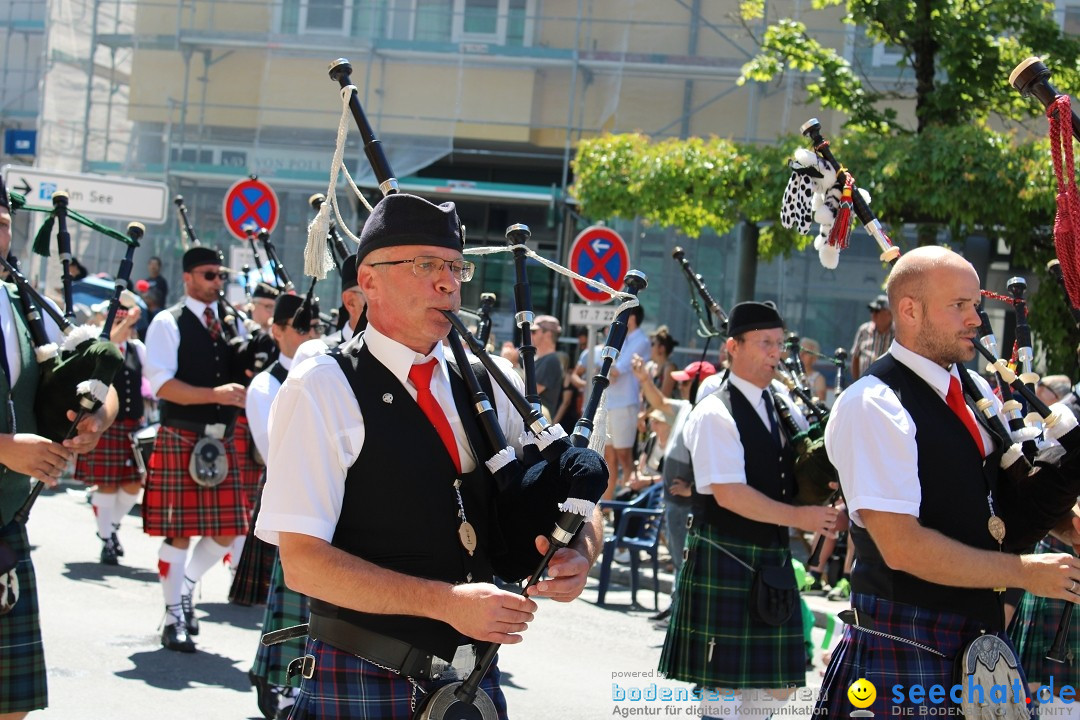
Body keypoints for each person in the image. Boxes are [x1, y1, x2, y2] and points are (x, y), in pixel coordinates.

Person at [255, 193, 602, 719]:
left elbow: (566, 485)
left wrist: (581, 550)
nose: (449, 282)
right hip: (362, 677)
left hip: (474, 684)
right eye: (425, 265)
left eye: (456, 266)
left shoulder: (488, 381)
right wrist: (443, 603)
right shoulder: (322, 387)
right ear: (368, 281)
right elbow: (303, 564)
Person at [816, 246, 1080, 717]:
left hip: (978, 641)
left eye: (976, 304)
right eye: (958, 306)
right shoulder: (873, 404)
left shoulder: (976, 389)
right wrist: (1024, 573)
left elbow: (1008, 496)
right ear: (910, 310)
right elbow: (902, 546)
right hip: (904, 641)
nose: (976, 319)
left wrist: (1070, 527)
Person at [659, 302, 836, 718]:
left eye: (780, 343)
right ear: (732, 348)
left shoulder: (780, 405)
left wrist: (823, 488)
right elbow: (728, 494)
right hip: (727, 556)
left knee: (777, 690)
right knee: (723, 690)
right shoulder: (714, 412)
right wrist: (802, 519)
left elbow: (794, 471)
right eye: (765, 343)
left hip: (769, 561)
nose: (776, 352)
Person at [0, 175, 118, 718]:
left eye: (2, 225)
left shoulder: (21, 303)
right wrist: (4, 448)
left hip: (4, 522)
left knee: (9, 704)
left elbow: (99, 381)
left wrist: (95, 421)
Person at [143, 246, 250, 653]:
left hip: (221, 436)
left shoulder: (228, 323)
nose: (216, 282)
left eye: (220, 275)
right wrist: (215, 393)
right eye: (209, 275)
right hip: (181, 434)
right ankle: (173, 616)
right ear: (187, 277)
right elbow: (163, 384)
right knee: (180, 531)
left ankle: (185, 587)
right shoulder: (166, 323)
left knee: (226, 532)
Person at [244, 292, 320, 719]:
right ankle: (283, 681)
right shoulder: (266, 383)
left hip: (326, 500)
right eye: (301, 326)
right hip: (292, 500)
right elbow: (274, 453)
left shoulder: (331, 368)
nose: (310, 333)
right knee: (297, 598)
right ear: (277, 331)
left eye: (313, 326)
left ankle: (285, 679)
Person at [75, 290, 146, 565]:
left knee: (132, 484)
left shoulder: (139, 349)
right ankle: (106, 540)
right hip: (106, 423)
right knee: (106, 484)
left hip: (132, 425)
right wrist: (126, 323)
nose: (126, 326)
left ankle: (111, 528)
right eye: (118, 319)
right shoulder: (100, 343)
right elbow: (110, 345)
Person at [600, 306, 650, 499]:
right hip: (612, 403)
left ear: (633, 317)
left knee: (624, 456)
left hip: (626, 404)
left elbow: (615, 370)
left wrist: (604, 366)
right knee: (609, 457)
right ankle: (607, 505)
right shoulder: (625, 338)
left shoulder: (641, 340)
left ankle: (627, 501)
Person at [849, 293, 894, 380]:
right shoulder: (864, 330)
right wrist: (857, 381)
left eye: (877, 311)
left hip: (888, 386)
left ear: (889, 314)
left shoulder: (898, 334)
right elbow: (855, 358)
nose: (873, 314)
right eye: (871, 310)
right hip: (864, 383)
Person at [531, 314, 563, 418]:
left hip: (539, 423)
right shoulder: (539, 359)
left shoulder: (551, 361)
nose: (530, 335)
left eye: (533, 332)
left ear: (548, 334)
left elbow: (529, 392)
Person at [648, 325, 679, 399]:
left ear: (661, 348)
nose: (650, 347)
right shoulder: (650, 366)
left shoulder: (669, 368)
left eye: (653, 344)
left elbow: (663, 398)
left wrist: (648, 411)